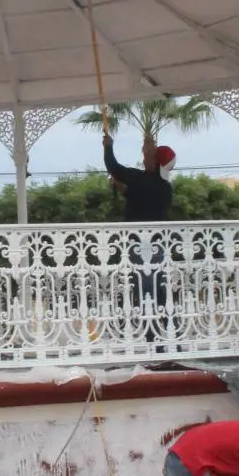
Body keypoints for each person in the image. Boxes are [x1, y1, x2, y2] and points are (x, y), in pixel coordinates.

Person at [102, 132, 175, 341]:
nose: (144, 158)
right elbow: (137, 195)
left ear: (155, 164)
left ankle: (151, 335)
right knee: (158, 288)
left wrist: (108, 146)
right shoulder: (163, 187)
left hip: (140, 245)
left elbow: (114, 167)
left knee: (145, 289)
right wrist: (120, 187)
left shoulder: (145, 181)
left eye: (149, 156)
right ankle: (165, 332)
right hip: (157, 245)